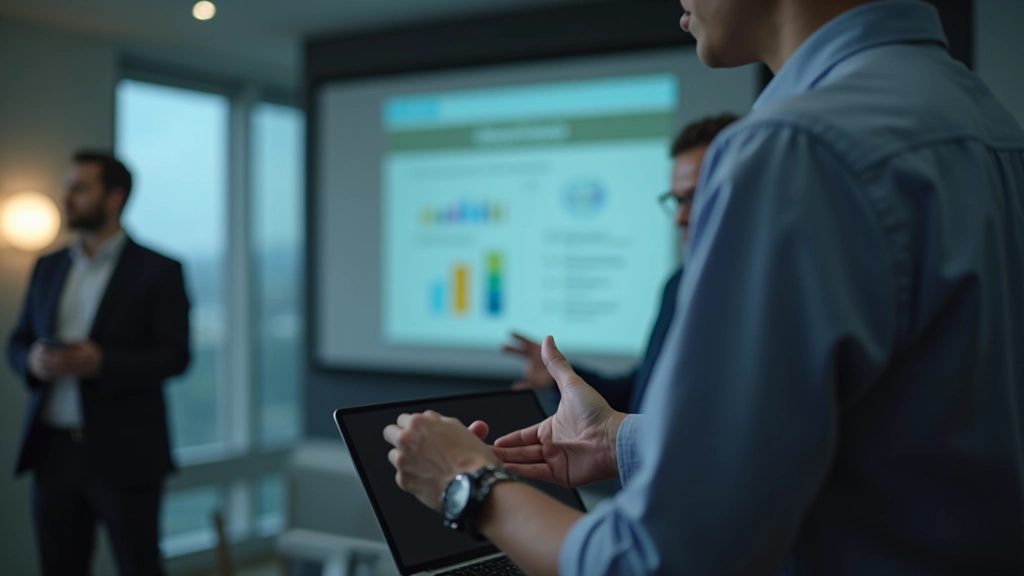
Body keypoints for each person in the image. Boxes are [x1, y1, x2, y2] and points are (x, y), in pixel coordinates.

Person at [382, 0, 1024, 574]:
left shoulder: (792, 149)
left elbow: (660, 562)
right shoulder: (991, 126)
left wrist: (467, 480)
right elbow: (887, 439)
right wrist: (620, 439)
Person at [7, 151, 191, 576]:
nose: (65, 196)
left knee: (139, 565)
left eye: (79, 188)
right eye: (67, 185)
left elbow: (176, 357)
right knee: (59, 567)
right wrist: (31, 360)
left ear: (114, 198)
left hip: (126, 453)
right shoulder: (48, 266)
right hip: (53, 450)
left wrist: (103, 363)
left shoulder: (159, 270)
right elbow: (17, 341)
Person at [502, 114, 738, 413]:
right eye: (677, 201)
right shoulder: (679, 284)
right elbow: (642, 393)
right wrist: (561, 376)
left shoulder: (769, 296)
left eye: (694, 198)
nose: (680, 218)